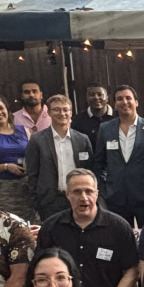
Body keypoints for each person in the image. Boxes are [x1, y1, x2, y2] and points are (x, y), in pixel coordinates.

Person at [39, 169, 140, 287]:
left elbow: (132, 270)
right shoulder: (51, 228)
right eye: (77, 192)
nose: (83, 198)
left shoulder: (118, 227)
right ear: (67, 194)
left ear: (97, 193)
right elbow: (40, 272)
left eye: (89, 191)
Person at [92, 84, 144, 226]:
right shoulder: (105, 129)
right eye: (119, 99)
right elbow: (99, 163)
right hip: (115, 196)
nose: (124, 102)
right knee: (120, 239)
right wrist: (104, 190)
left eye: (128, 98)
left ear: (136, 102)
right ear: (115, 104)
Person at [24, 93, 93, 222]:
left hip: (79, 198)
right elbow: (32, 174)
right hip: (50, 200)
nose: (62, 113)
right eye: (56, 109)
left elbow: (90, 169)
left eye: (65, 109)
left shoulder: (82, 139)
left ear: (71, 112)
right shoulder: (37, 141)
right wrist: (37, 201)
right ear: (48, 112)